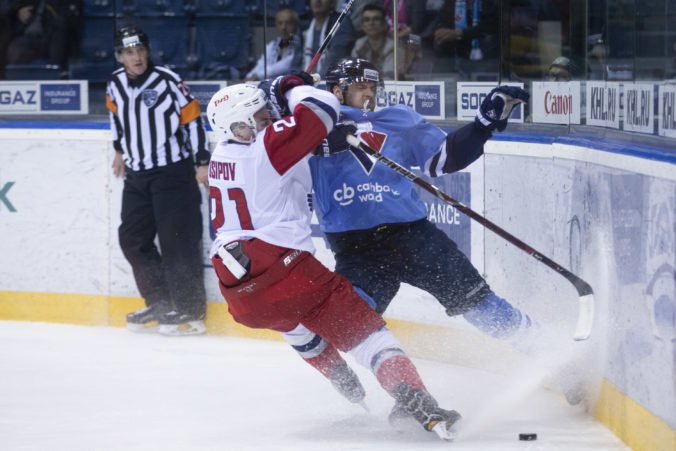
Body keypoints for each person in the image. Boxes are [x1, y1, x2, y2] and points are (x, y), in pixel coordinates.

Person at [284, 58, 583, 411]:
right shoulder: (308, 128)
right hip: (357, 250)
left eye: (372, 86)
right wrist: (293, 92)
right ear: (336, 90)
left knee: (481, 304)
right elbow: (266, 131)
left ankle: (559, 361)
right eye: (360, 86)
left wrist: (482, 126)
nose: (369, 93)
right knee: (347, 322)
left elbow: (444, 159)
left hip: (415, 238)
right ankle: (408, 393)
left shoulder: (396, 119)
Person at [205, 74, 461, 441]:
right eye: (260, 118)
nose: (268, 122)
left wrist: (316, 142)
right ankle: (421, 404)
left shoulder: (222, 155)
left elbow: (292, 158)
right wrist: (293, 86)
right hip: (285, 269)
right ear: (239, 126)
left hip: (238, 290)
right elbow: (321, 109)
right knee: (369, 336)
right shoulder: (265, 150)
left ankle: (338, 375)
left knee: (290, 317)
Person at [106, 25, 209, 336]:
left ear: (147, 51)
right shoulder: (115, 83)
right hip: (136, 176)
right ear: (120, 56)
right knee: (132, 239)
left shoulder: (167, 80)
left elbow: (193, 120)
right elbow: (116, 117)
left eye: (140, 50)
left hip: (172, 173)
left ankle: (191, 314)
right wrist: (119, 149)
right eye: (128, 52)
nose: (136, 57)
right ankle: (161, 301)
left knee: (177, 241)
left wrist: (201, 161)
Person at [6, 0, 81, 76]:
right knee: (17, 48)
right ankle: (17, 78)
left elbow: (70, 19)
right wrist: (19, 11)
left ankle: (53, 72)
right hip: (26, 36)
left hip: (50, 37)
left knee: (60, 24)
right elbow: (13, 7)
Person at [244, 8, 303, 81]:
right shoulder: (271, 46)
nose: (283, 27)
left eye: (288, 23)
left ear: (295, 25)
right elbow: (261, 64)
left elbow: (285, 66)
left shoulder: (300, 45)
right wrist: (250, 76)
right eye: (280, 23)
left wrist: (257, 76)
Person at [303, 0, 355, 77]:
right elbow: (296, 63)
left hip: (329, 82)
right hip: (306, 83)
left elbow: (334, 61)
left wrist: (312, 81)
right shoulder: (305, 27)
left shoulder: (341, 23)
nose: (318, 1)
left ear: (332, 2)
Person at [350, 3, 402, 79]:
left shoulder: (393, 46)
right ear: (363, 26)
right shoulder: (359, 45)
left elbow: (389, 77)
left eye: (376, 19)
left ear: (384, 24)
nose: (371, 23)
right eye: (367, 20)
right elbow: (353, 74)